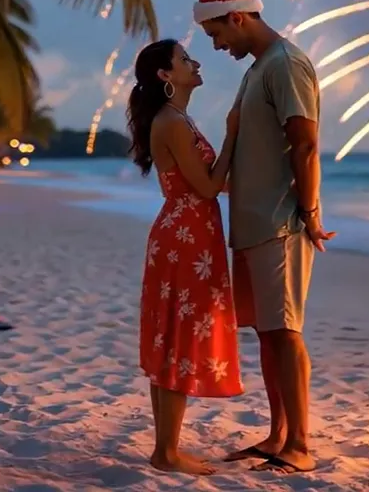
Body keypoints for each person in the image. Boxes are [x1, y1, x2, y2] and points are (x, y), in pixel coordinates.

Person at [194, 0, 335, 475]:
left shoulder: (287, 64)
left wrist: (311, 214)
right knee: (267, 332)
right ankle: (278, 435)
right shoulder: (257, 70)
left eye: (217, 34)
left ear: (238, 17)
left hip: (280, 222)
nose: (216, 45)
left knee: (286, 331)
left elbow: (305, 144)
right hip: (251, 222)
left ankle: (299, 442)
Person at [127, 38, 244, 476]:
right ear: (165, 76)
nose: (195, 64)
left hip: (183, 231)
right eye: (184, 60)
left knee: (171, 339)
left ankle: (165, 449)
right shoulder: (173, 122)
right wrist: (233, 134)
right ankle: (167, 452)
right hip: (186, 236)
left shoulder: (176, 118)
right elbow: (209, 186)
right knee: (178, 341)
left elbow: (211, 182)